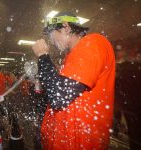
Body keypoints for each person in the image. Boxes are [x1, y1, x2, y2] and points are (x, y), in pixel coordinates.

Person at [32, 11, 115, 149]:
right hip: (67, 141)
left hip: (81, 143)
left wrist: (43, 56)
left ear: (66, 27)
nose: (51, 41)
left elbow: (58, 98)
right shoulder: (71, 56)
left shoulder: (93, 42)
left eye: (52, 35)